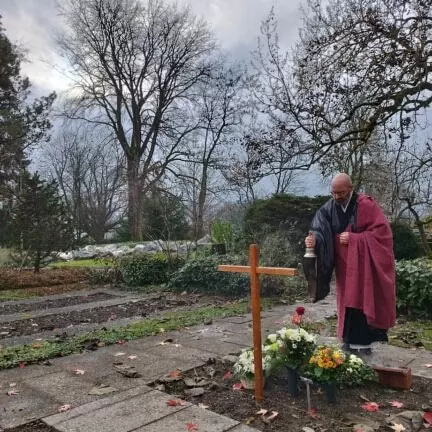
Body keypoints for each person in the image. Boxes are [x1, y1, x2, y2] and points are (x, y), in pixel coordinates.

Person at [305, 173, 396, 355]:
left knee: (362, 298)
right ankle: (347, 339)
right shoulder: (329, 207)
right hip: (344, 264)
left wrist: (356, 239)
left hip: (363, 265)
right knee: (346, 301)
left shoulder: (366, 205)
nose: (337, 196)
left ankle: (364, 343)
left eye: (341, 192)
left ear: (350, 189)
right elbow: (319, 229)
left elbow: (382, 233)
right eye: (334, 193)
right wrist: (313, 241)